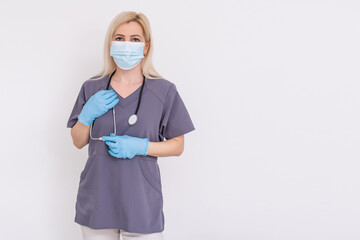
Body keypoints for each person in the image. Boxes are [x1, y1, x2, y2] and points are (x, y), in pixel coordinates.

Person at [66, 11, 195, 240]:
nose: (127, 44)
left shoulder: (164, 91)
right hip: (98, 198)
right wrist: (86, 116)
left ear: (146, 47)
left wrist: (141, 146)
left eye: (135, 39)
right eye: (119, 38)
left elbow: (178, 145)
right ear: (110, 44)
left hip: (141, 202)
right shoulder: (92, 88)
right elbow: (78, 141)